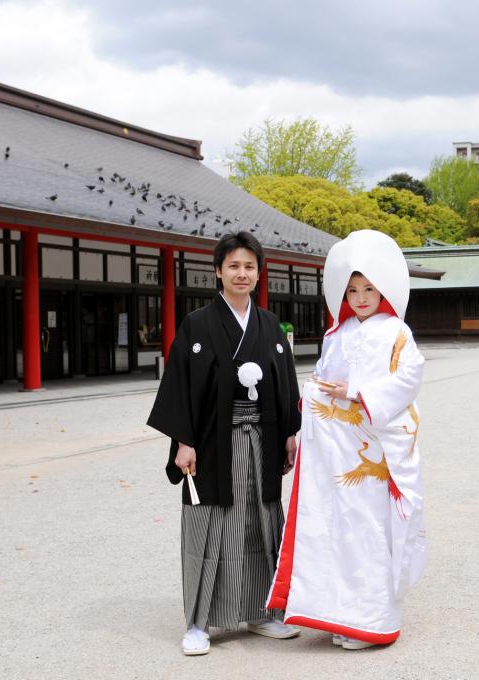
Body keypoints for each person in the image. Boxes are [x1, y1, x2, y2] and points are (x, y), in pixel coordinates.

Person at [267, 229, 428, 651]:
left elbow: (408, 378)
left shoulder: (397, 332)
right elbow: (325, 381)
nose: (360, 297)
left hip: (375, 446)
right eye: (353, 289)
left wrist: (356, 392)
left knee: (370, 530)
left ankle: (372, 620)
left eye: (369, 288)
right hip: (338, 451)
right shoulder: (335, 335)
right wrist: (319, 392)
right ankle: (341, 616)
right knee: (336, 529)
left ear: (385, 289)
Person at [147, 231, 302, 656]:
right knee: (211, 523)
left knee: (261, 521)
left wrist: (290, 433)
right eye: (233, 265)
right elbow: (180, 385)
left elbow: (286, 385)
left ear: (258, 272)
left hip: (263, 440)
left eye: (249, 266)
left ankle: (261, 612)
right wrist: (183, 441)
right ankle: (199, 622)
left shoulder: (270, 325)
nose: (241, 273)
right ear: (217, 271)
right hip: (214, 444)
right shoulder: (197, 324)